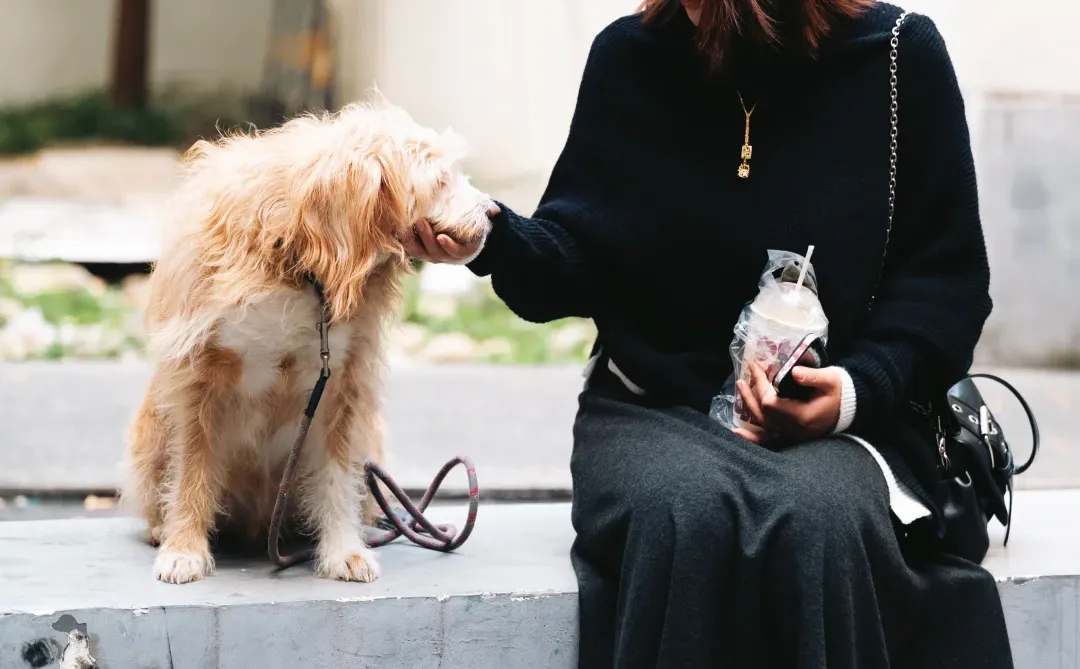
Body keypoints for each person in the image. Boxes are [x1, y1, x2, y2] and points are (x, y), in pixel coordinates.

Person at [400, 0, 1014, 667]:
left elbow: (946, 286)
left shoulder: (898, 57)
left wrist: (851, 392)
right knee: (686, 512)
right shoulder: (629, 57)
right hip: (650, 410)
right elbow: (578, 256)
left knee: (821, 519)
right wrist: (493, 235)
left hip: (853, 426)